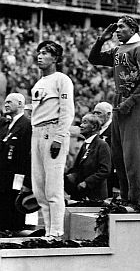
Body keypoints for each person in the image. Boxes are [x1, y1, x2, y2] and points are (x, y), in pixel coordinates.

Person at [88, 15, 140, 207]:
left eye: (121, 27)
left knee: (133, 154)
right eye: (116, 28)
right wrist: (101, 39)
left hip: (135, 101)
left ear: (133, 30)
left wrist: (130, 101)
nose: (117, 31)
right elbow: (94, 59)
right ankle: (125, 196)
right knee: (119, 154)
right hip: (119, 99)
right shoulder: (118, 50)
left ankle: (136, 199)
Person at [31, 40, 75, 239]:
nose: (40, 56)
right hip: (37, 132)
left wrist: (59, 136)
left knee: (53, 186)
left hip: (53, 131)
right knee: (39, 187)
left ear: (55, 58)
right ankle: (48, 230)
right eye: (39, 53)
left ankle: (56, 231)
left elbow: (67, 110)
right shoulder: (39, 83)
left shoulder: (62, 79)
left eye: (45, 53)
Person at [0, 93, 32, 231]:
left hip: (17, 176)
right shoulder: (6, 125)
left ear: (20, 104)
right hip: (3, 176)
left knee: (14, 212)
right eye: (5, 102)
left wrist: (27, 182)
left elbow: (29, 155)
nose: (6, 104)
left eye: (9, 102)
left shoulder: (27, 125)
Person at [65, 113, 111, 201]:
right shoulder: (85, 145)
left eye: (85, 123)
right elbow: (78, 168)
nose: (81, 125)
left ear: (94, 127)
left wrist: (87, 183)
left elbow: (105, 170)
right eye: (82, 122)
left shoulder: (102, 145)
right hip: (81, 195)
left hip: (95, 196)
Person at [93, 101, 120, 198]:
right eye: (94, 113)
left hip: (108, 170)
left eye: (98, 113)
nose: (95, 116)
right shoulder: (96, 128)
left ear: (108, 114)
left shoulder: (115, 128)